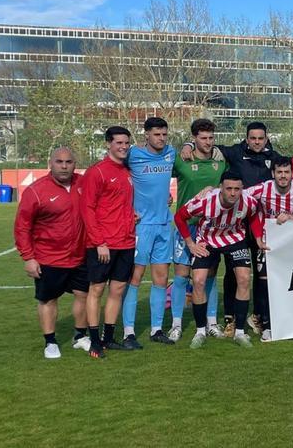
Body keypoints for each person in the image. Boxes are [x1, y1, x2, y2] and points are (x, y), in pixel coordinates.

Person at [180, 121, 281, 337]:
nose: (256, 142)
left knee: (260, 274)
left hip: (261, 223)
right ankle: (230, 318)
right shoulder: (235, 151)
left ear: (266, 139)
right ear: (246, 138)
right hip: (234, 224)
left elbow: (286, 171)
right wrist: (188, 144)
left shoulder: (273, 157)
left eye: (260, 138)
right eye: (252, 138)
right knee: (232, 273)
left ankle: (260, 317)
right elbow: (207, 145)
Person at [174, 172, 264, 349]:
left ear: (242, 189)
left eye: (237, 189)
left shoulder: (248, 201)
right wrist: (191, 244)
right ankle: (200, 331)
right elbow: (179, 217)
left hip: (235, 239)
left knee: (244, 279)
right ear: (220, 188)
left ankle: (239, 332)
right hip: (207, 240)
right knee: (198, 281)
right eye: (229, 188)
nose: (233, 193)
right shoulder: (205, 201)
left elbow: (254, 215)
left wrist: (259, 238)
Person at [14, 147, 89, 359]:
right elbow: (22, 227)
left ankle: (80, 336)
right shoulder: (36, 191)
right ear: (50, 163)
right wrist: (28, 258)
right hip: (49, 257)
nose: (64, 166)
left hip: (80, 255)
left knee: (84, 295)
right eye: (59, 162)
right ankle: (50, 342)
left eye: (68, 162)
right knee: (48, 300)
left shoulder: (83, 183)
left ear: (75, 163)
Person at [168, 118, 226, 343]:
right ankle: (176, 325)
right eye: (203, 138)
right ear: (194, 138)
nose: (208, 142)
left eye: (211, 138)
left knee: (209, 276)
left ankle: (211, 323)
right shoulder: (182, 160)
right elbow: (160, 172)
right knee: (182, 275)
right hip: (186, 226)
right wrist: (186, 146)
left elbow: (232, 184)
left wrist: (217, 187)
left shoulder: (221, 161)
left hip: (211, 230)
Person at [81, 126, 136, 359]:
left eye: (126, 143)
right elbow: (87, 209)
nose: (123, 147)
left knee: (118, 289)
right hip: (102, 243)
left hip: (126, 242)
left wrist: (132, 217)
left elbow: (120, 204)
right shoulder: (97, 172)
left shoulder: (127, 171)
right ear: (108, 144)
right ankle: (94, 342)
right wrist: (99, 242)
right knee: (96, 289)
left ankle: (109, 337)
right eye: (118, 143)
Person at [122, 117, 175, 349]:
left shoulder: (171, 153)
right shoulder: (132, 155)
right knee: (134, 278)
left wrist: (189, 146)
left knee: (161, 279)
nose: (161, 138)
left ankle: (156, 329)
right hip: (141, 226)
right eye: (156, 134)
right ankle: (128, 332)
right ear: (146, 135)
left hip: (165, 223)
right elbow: (114, 173)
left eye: (164, 134)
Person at [245, 156, 293, 342]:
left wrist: (291, 216)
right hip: (267, 242)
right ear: (273, 173)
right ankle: (267, 326)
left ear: (292, 173)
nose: (283, 176)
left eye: (287, 172)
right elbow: (238, 194)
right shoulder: (262, 189)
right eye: (279, 172)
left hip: (292, 243)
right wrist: (210, 191)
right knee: (266, 283)